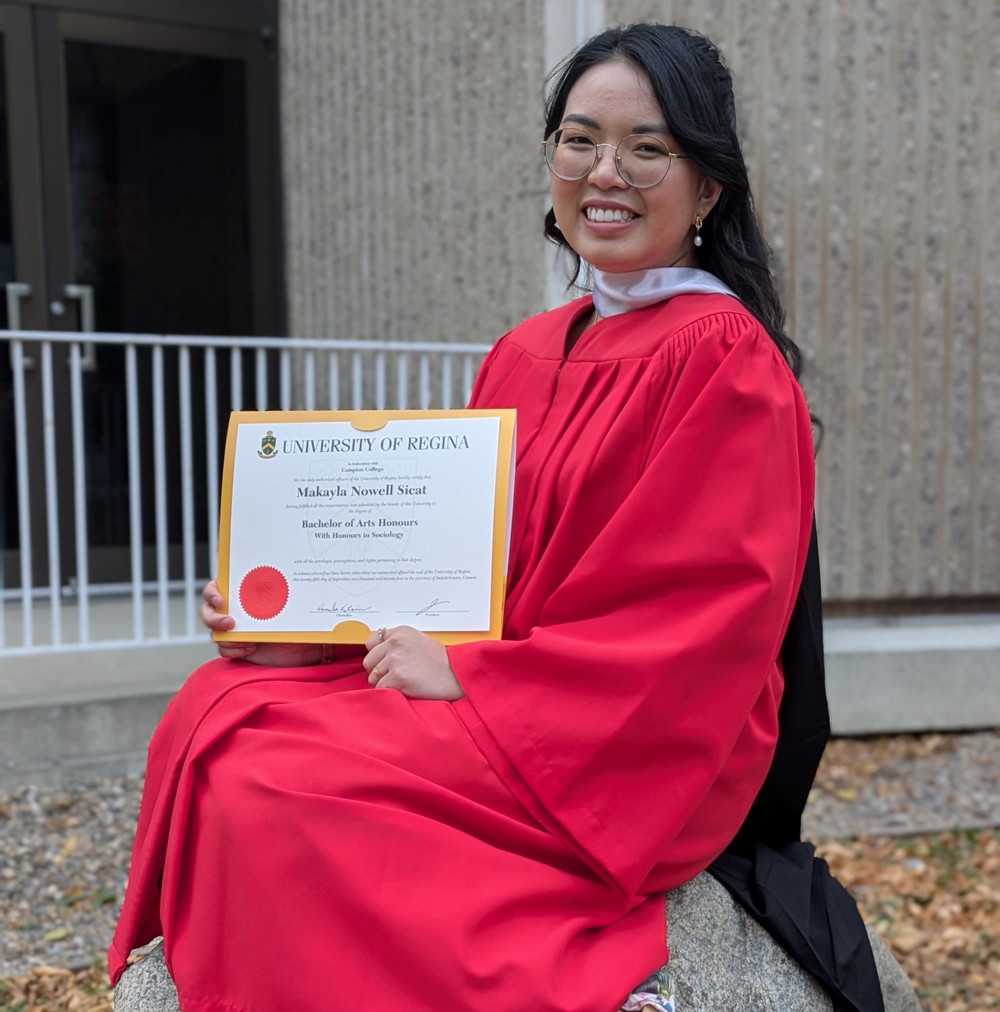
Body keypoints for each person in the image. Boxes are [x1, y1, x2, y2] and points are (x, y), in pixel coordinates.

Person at [110, 23, 881, 1012]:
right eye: (578, 139)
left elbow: (698, 625)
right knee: (216, 710)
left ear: (708, 188)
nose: (605, 171)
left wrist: (470, 678)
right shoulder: (526, 349)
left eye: (648, 148)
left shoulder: (721, 357)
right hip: (496, 685)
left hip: (617, 736)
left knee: (274, 785)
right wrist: (301, 630)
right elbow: (460, 568)